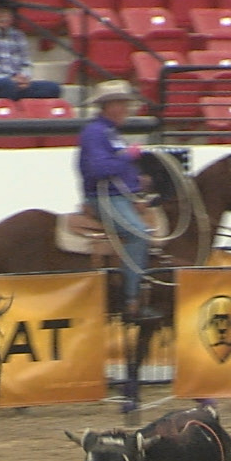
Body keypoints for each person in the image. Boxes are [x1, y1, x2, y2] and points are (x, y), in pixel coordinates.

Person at [77, 79, 158, 321]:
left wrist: (138, 181)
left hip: (119, 195)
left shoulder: (110, 133)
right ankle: (132, 301)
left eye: (126, 104)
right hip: (105, 198)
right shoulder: (95, 132)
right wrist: (128, 156)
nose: (126, 109)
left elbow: (116, 169)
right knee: (138, 233)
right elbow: (99, 168)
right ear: (108, 106)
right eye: (121, 104)